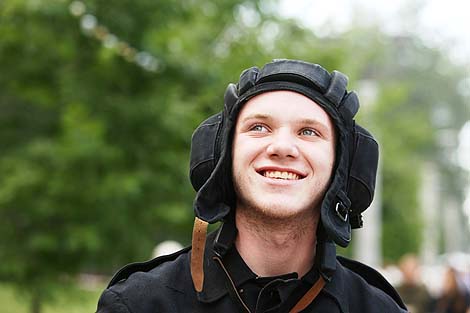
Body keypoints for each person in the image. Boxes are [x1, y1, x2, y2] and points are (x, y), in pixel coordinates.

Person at [96, 59, 407, 312]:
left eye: (309, 132)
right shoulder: (140, 304)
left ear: (343, 166)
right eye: (259, 127)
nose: (282, 147)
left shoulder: (377, 308)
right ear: (224, 153)